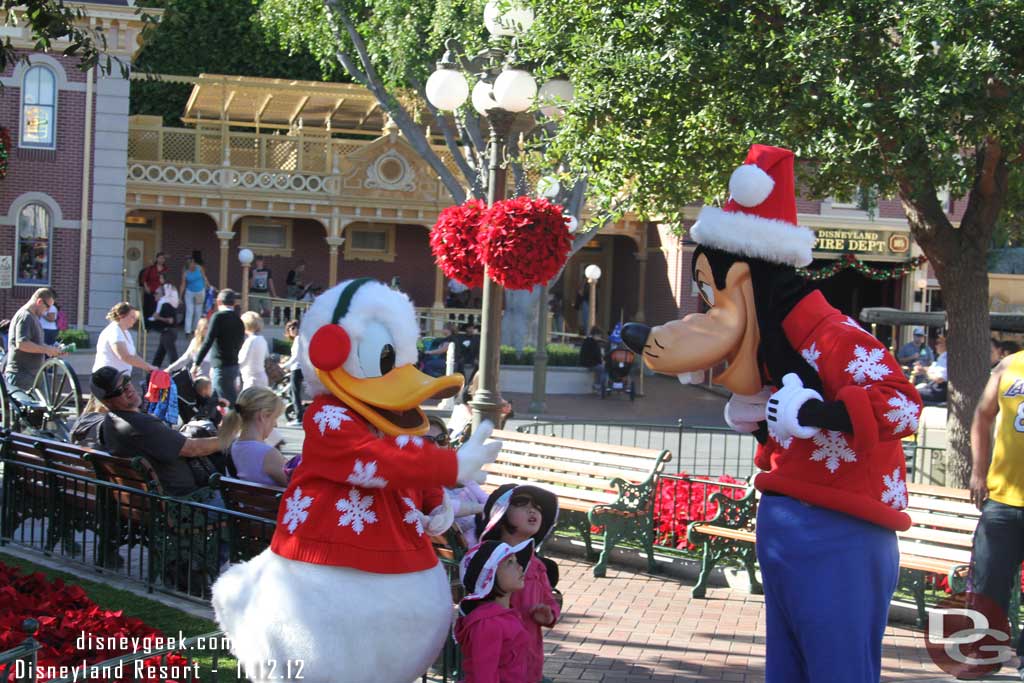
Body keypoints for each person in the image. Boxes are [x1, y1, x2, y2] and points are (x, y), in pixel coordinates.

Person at [965, 348, 1024, 679]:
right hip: (1002, 499)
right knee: (989, 583)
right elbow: (983, 415)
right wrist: (978, 470)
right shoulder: (1009, 365)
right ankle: (985, 654)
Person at [91, 366, 225, 499]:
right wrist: (228, 438)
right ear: (107, 401)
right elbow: (193, 448)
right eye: (119, 390)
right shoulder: (140, 424)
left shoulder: (110, 422)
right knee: (234, 501)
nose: (128, 388)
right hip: (183, 502)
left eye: (126, 380)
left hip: (146, 502)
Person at [479, 484, 561, 683]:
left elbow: (549, 601)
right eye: (522, 504)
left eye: (538, 507)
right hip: (496, 657)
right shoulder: (487, 561)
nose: (533, 510)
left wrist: (549, 614)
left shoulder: (538, 566)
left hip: (529, 658)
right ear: (501, 513)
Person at [454, 539, 533, 683]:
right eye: (510, 562)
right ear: (490, 575)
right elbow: (484, 677)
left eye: (516, 561)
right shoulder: (488, 623)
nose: (520, 567)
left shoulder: (506, 614)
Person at [219, 386, 290, 487]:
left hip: (245, 502)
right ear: (263, 415)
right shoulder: (268, 454)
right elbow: (299, 489)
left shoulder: (232, 447)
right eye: (275, 418)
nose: (275, 424)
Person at [5, 288, 63, 392]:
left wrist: (53, 349)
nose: (49, 310)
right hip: (21, 376)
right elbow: (22, 344)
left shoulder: (34, 317)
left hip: (34, 375)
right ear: (39, 301)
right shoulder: (25, 316)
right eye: (48, 307)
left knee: (45, 407)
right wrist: (46, 350)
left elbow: (37, 344)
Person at [194, 290, 245, 405]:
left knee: (224, 401)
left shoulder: (218, 317)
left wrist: (196, 363)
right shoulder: (239, 320)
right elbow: (241, 342)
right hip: (234, 364)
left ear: (218, 301)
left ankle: (237, 421)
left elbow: (208, 342)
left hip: (221, 365)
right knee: (226, 398)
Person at [93, 303, 157, 377]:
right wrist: (148, 367)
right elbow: (125, 356)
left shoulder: (126, 332)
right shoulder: (114, 331)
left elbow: (133, 355)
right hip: (105, 378)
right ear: (121, 316)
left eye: (135, 318)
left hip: (118, 379)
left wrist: (148, 366)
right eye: (132, 317)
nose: (135, 320)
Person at [148, 283, 180, 368]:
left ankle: (178, 376)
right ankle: (150, 377)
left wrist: (158, 317)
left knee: (172, 357)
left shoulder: (166, 305)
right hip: (165, 332)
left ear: (162, 294)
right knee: (159, 357)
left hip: (169, 332)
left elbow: (171, 320)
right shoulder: (161, 304)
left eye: (157, 293)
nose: (154, 295)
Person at [280, 320, 306, 426]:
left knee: (295, 393)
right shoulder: (300, 339)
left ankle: (299, 417)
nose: (291, 331)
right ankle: (299, 412)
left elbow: (296, 357)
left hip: (297, 368)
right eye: (289, 329)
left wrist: (284, 366)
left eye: (292, 328)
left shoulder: (298, 339)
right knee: (293, 392)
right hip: (298, 368)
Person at [238, 311, 269, 391]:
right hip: (262, 376)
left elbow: (243, 360)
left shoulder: (250, 341)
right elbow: (266, 356)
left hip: (251, 379)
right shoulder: (262, 339)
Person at [180, 255, 209, 336]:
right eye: (190, 264)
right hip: (189, 292)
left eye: (193, 262)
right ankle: (187, 331)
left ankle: (195, 329)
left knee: (198, 311)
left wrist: (208, 285)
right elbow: (183, 284)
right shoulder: (185, 272)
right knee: (189, 311)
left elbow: (204, 277)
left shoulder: (199, 268)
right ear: (188, 265)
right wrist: (180, 296)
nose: (192, 265)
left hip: (200, 291)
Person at [139, 252, 167, 321]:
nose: (162, 260)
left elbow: (167, 280)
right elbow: (144, 278)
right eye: (160, 258)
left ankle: (156, 324)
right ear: (157, 259)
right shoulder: (151, 268)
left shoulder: (166, 269)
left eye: (163, 258)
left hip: (160, 292)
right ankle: (146, 325)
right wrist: (146, 287)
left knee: (158, 308)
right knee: (148, 307)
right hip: (150, 290)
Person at [579, 327, 606, 392]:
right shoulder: (592, 342)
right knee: (601, 368)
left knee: (603, 368)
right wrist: (601, 361)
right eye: (599, 335)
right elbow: (596, 355)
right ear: (595, 334)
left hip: (589, 362)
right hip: (588, 363)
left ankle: (601, 385)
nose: (600, 337)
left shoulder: (590, 341)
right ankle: (597, 385)